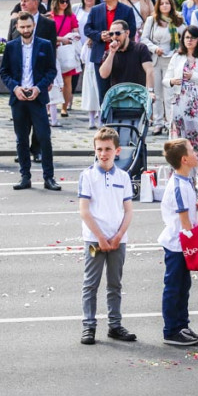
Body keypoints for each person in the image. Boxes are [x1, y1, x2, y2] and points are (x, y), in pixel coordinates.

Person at [77, 127, 136, 346]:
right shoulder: (88, 176)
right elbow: (84, 210)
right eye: (99, 149)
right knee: (90, 284)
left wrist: (119, 235)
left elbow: (128, 210)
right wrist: (100, 237)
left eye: (108, 149)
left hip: (118, 239)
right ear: (94, 150)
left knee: (115, 283)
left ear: (117, 151)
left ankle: (115, 325)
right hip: (95, 239)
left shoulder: (123, 176)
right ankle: (89, 326)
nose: (103, 154)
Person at [1, 11, 60, 190]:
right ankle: (25, 176)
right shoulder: (11, 46)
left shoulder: (45, 45)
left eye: (28, 26)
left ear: (33, 25)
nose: (26, 30)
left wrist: (38, 87)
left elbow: (51, 70)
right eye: (22, 27)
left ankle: (49, 177)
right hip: (18, 98)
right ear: (17, 27)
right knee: (21, 140)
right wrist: (15, 88)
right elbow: (4, 72)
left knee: (44, 137)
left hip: (37, 97)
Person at [157, 138, 198, 347]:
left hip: (182, 243)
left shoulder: (186, 181)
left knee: (183, 286)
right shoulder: (178, 185)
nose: (196, 153)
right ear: (185, 159)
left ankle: (182, 324)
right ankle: (172, 329)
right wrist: (195, 246)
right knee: (175, 286)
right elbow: (185, 222)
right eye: (192, 151)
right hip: (178, 244)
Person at [84, 0, 137, 104]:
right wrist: (99, 36)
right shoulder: (95, 9)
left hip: (121, 54)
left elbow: (132, 30)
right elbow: (87, 29)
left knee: (120, 89)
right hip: (101, 55)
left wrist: (118, 35)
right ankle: (105, 120)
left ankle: (120, 118)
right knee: (103, 91)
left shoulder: (127, 10)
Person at [141, 0, 184, 134]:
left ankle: (170, 122)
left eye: (167, 3)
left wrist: (180, 48)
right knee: (157, 93)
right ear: (158, 6)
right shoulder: (152, 20)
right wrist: (154, 48)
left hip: (171, 59)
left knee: (169, 93)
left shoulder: (177, 20)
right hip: (155, 59)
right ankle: (158, 122)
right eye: (162, 3)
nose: (165, 5)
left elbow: (186, 35)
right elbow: (144, 39)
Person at [164, 25, 198, 152]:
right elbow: (165, 80)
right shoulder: (177, 57)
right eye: (187, 37)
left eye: (193, 38)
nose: (189, 40)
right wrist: (172, 81)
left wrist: (194, 76)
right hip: (180, 100)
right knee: (179, 137)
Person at [50, 0, 80, 118]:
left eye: (67, 1)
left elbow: (76, 32)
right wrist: (60, 39)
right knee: (51, 80)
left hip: (66, 51)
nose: (64, 4)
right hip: (53, 49)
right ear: (56, 1)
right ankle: (50, 106)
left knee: (68, 81)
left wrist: (73, 37)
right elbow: (47, 34)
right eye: (62, 1)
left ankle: (64, 107)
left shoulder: (71, 16)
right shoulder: (50, 16)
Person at [99, 19, 153, 88]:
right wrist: (112, 53)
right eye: (111, 34)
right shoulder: (109, 53)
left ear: (127, 33)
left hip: (138, 93)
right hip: (119, 94)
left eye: (118, 33)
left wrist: (150, 90)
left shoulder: (140, 48)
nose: (114, 36)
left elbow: (149, 70)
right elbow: (103, 75)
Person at [76, 0, 101, 128]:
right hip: (86, 48)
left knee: (99, 85)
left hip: (99, 49)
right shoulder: (78, 9)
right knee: (89, 85)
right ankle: (91, 117)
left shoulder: (99, 12)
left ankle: (100, 116)